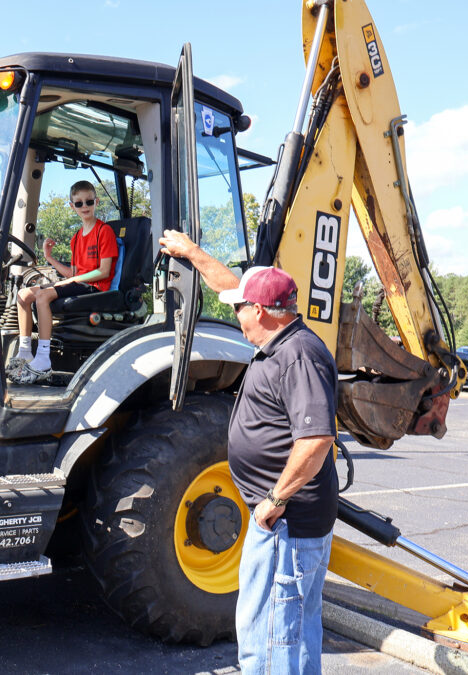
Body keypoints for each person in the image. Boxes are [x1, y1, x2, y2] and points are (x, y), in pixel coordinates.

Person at [159, 230, 337, 674]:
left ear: (261, 311)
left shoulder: (298, 356)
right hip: (280, 522)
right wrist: (191, 252)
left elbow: (316, 440)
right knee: (283, 631)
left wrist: (273, 502)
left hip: (285, 525)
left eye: (241, 309)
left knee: (276, 638)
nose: (235, 315)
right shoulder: (279, 339)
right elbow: (226, 285)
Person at [7, 181, 118, 384]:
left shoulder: (104, 232)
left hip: (95, 287)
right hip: (79, 282)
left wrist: (74, 278)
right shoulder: (76, 238)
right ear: (72, 205)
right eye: (79, 203)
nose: (84, 206)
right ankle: (25, 351)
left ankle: (43, 357)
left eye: (89, 201)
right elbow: (72, 273)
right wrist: (50, 258)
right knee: (23, 295)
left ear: (96, 202)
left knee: (42, 296)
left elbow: (103, 272)